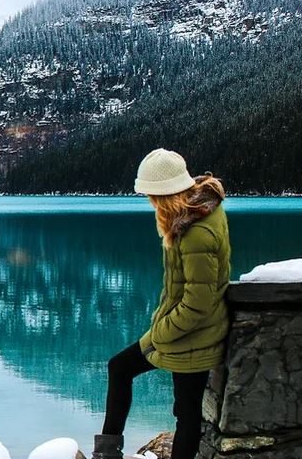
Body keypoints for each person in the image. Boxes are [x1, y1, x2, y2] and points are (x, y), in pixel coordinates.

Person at [92, 148, 231, 459]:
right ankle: (106, 452)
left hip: (195, 336)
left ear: (167, 192)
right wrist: (161, 328)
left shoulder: (198, 231)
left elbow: (198, 302)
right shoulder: (190, 216)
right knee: (120, 366)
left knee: (187, 413)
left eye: (151, 195)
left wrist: (160, 333)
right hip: (177, 331)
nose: (149, 201)